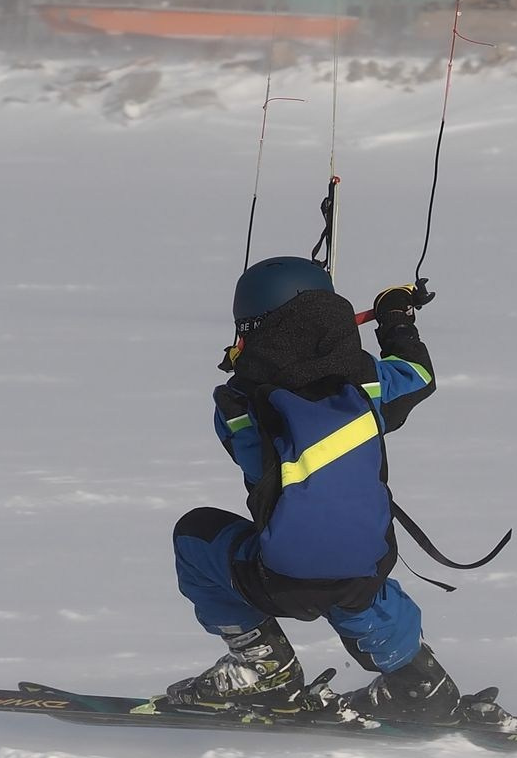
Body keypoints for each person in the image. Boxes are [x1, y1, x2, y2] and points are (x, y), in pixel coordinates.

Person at [166, 255, 468, 720]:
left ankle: (263, 665)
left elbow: (246, 448)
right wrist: (393, 317)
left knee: (196, 533)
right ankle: (416, 679)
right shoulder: (369, 383)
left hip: (279, 577)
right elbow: (418, 376)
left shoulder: (236, 403)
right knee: (353, 574)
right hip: (361, 573)